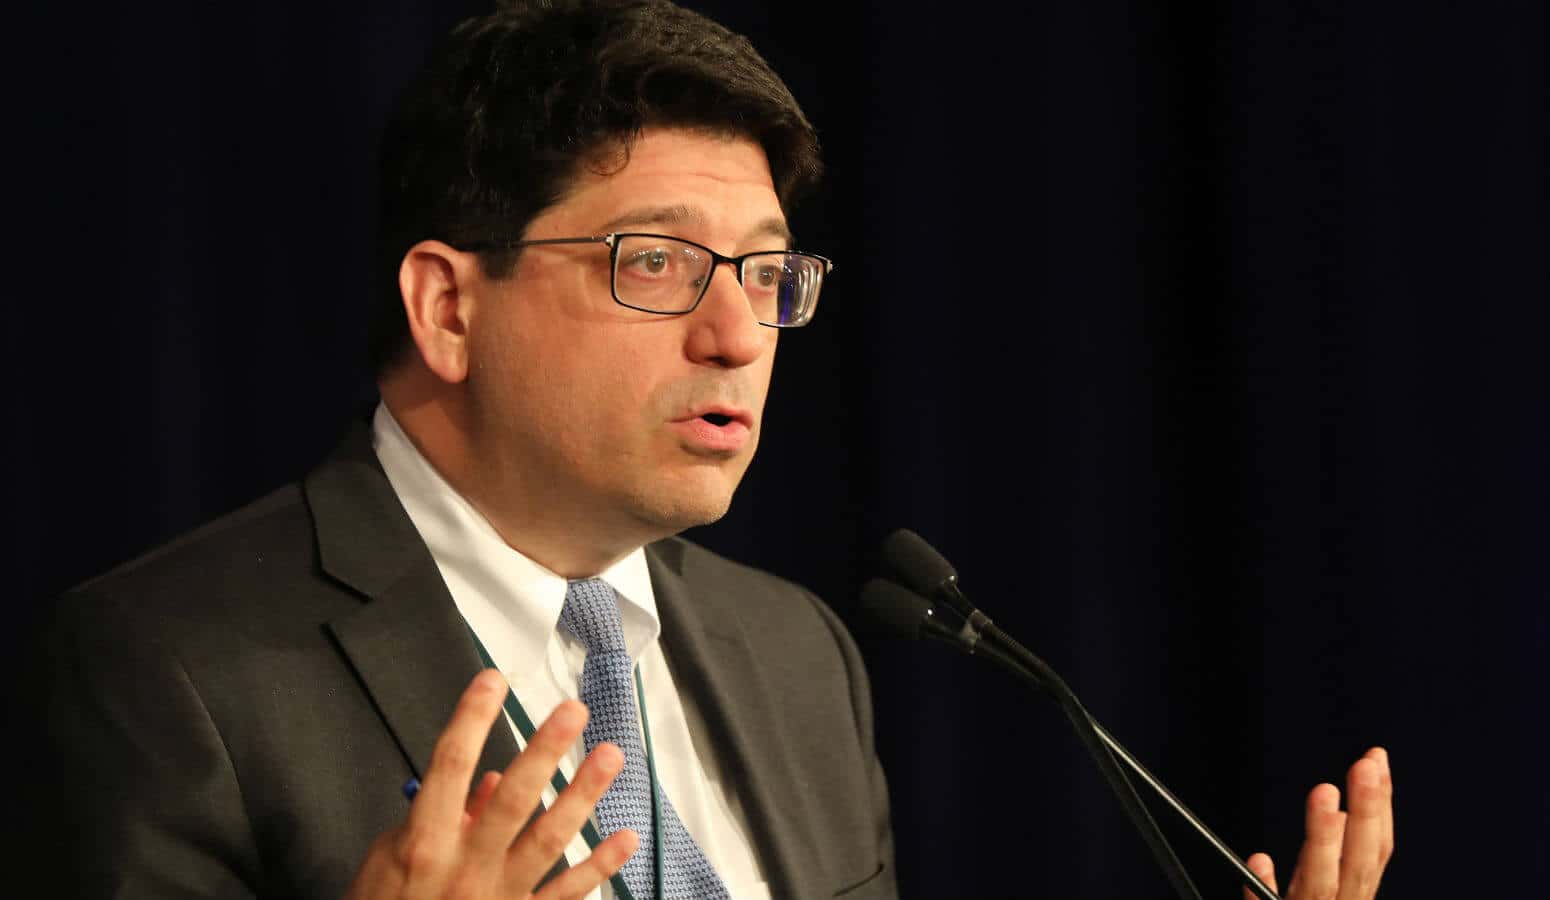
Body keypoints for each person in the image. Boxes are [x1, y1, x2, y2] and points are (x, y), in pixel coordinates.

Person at [19, 2, 1392, 899]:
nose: (740, 335)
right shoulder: (169, 670)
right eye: (660, 263)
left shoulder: (794, 654)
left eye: (771, 274)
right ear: (447, 305)